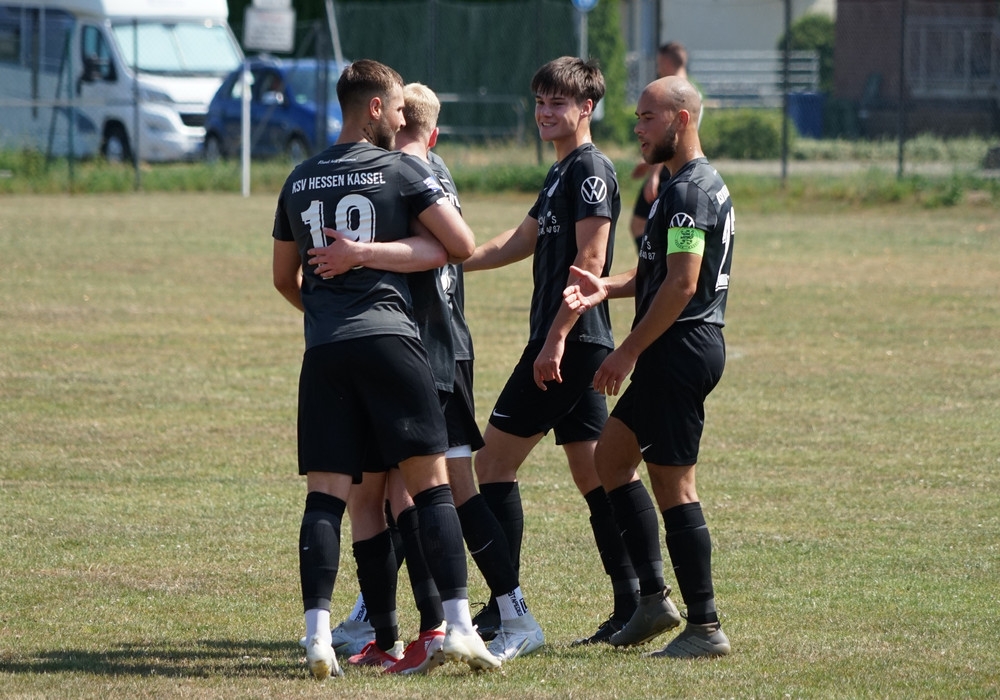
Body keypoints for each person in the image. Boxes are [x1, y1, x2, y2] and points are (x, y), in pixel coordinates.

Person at [271, 59, 500, 680]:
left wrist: (328, 311)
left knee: (327, 497)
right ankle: (458, 627)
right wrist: (370, 258)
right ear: (374, 107)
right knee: (430, 488)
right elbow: (460, 244)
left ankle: (318, 637)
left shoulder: (299, 176)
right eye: (397, 108)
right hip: (392, 342)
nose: (402, 120)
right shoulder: (401, 168)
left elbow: (283, 278)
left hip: (325, 350)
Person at [307, 82, 542, 671]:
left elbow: (445, 250)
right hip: (433, 347)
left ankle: (479, 616)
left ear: (393, 120)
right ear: (434, 133)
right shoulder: (433, 171)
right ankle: (394, 619)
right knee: (397, 490)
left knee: (432, 488)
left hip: (424, 351)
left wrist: (358, 256)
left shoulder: (402, 172)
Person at [462, 56, 636, 646]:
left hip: (571, 341)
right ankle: (634, 603)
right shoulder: (561, 170)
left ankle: (502, 607)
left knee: (492, 464)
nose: (544, 112)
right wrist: (449, 259)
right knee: (592, 474)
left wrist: (556, 337)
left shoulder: (590, 169)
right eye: (539, 102)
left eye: (557, 103)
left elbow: (591, 261)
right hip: (575, 341)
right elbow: (520, 240)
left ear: (587, 107)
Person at [562, 74, 734, 659]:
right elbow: (659, 272)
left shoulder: (689, 193)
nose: (637, 128)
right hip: (674, 346)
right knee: (612, 457)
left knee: (673, 484)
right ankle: (653, 600)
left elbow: (682, 285)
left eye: (647, 117)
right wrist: (606, 287)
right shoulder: (682, 185)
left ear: (681, 120)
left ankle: (705, 626)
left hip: (678, 349)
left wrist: (627, 350)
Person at [629, 42, 695, 245]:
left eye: (659, 63)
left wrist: (654, 176)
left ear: (667, 62)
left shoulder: (678, 95)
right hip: (671, 164)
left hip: (670, 167)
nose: (658, 69)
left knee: (643, 224)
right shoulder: (690, 92)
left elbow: (671, 136)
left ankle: (656, 262)